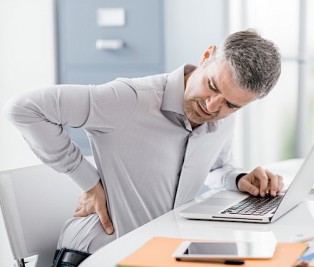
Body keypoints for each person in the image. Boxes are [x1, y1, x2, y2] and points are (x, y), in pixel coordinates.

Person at [4, 29, 283, 266]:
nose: (212, 106)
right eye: (211, 86)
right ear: (207, 56)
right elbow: (24, 109)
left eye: (231, 105)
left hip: (159, 253)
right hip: (97, 255)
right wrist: (89, 182)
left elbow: (218, 167)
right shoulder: (129, 99)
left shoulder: (221, 119)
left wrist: (239, 178)